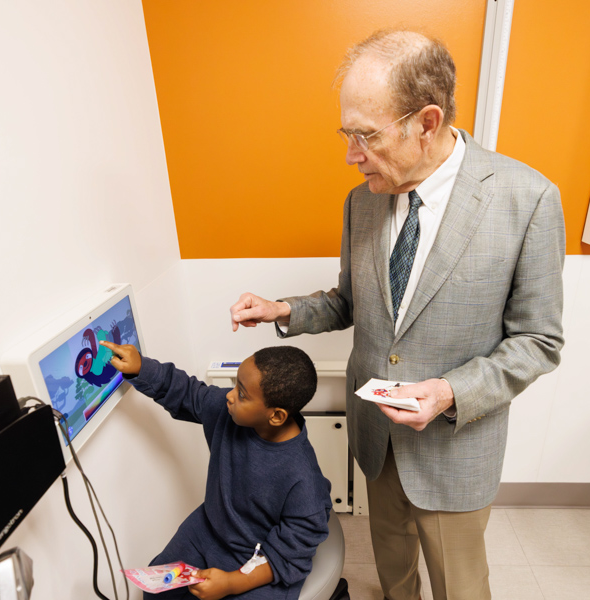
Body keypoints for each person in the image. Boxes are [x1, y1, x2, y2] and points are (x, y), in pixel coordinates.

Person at [228, 29, 565, 600]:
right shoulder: (362, 200)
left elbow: (538, 341)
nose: (350, 155)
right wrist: (284, 310)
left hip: (453, 452)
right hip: (378, 442)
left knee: (459, 588)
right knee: (394, 575)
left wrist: (448, 393)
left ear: (427, 123)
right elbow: (350, 302)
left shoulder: (527, 199)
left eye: (365, 135)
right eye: (346, 133)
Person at [100, 340, 332, 600]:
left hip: (260, 557)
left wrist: (232, 583)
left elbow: (291, 551)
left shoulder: (304, 479)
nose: (230, 396)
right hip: (208, 529)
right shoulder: (230, 410)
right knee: (156, 592)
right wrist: (141, 368)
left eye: (242, 394)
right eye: (235, 385)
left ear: (276, 416)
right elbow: (190, 393)